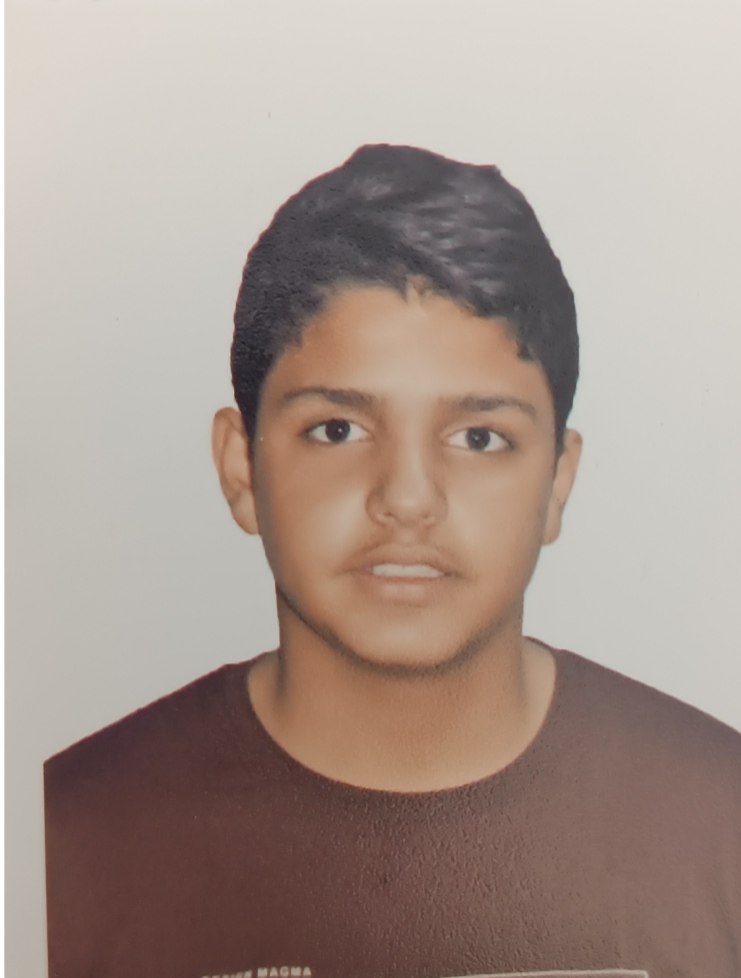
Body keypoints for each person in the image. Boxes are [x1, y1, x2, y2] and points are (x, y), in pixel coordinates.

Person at [44, 145, 741, 978]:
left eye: (478, 437)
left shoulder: (719, 826)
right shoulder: (61, 845)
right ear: (242, 470)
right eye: (337, 429)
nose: (408, 498)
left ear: (556, 481)